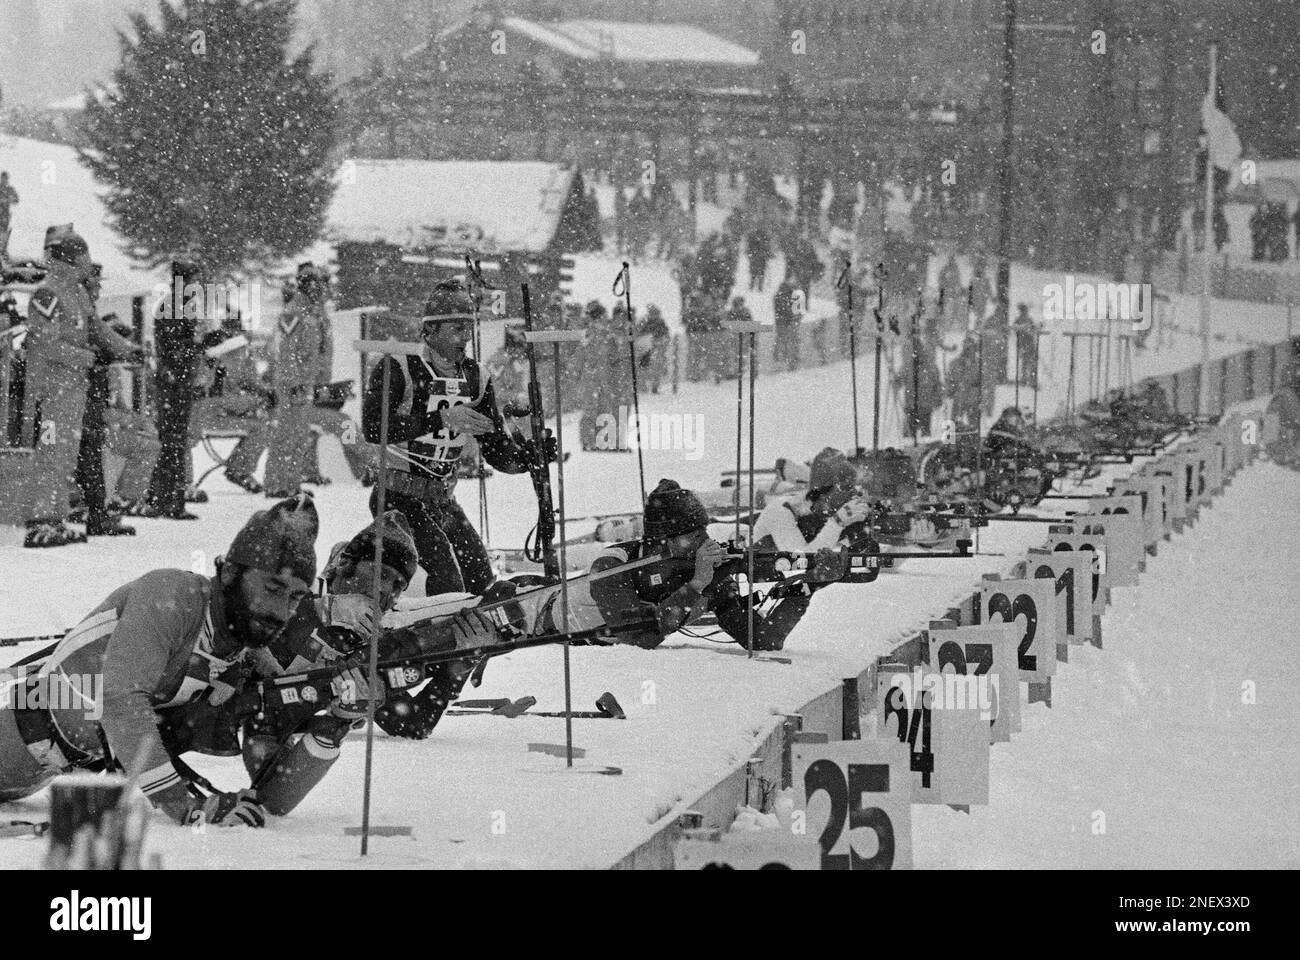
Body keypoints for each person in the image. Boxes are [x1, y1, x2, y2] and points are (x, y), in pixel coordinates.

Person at [0, 495, 321, 827]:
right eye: (273, 588)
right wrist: (184, 804)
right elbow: (121, 701)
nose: (283, 612)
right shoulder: (170, 594)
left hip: (43, 765)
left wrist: (329, 727)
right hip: (17, 729)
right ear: (229, 574)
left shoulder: (244, 641)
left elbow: (273, 800)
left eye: (296, 597)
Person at [361, 280, 550, 595]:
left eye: (468, 329)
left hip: (441, 499)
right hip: (396, 496)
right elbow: (373, 427)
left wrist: (529, 459)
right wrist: (443, 418)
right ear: (430, 331)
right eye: (456, 329)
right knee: (448, 579)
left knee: (479, 579)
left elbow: (495, 448)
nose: (465, 338)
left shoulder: (476, 377)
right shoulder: (398, 367)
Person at [587, 479, 818, 652]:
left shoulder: (702, 568)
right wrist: (696, 585)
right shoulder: (612, 566)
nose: (704, 543)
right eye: (692, 537)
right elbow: (639, 639)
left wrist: (810, 584)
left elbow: (762, 639)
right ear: (662, 542)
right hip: (563, 639)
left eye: (704, 533)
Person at [16, 225, 98, 547]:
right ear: (73, 258)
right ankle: (39, 522)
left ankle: (56, 516)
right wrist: (84, 357)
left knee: (65, 454)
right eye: (86, 255)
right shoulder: (47, 293)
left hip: (72, 390)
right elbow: (45, 344)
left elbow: (97, 328)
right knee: (49, 452)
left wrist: (124, 348)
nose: (90, 261)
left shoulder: (77, 292)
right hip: (51, 392)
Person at [74, 262, 138, 536]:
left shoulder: (83, 306)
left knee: (89, 450)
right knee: (86, 451)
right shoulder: (77, 304)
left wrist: (125, 350)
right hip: (80, 388)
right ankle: (92, 511)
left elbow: (100, 334)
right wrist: (116, 352)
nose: (99, 287)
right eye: (96, 282)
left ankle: (96, 510)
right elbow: (95, 337)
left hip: (88, 389)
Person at [138, 259, 205, 520]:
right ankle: (167, 500)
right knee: (171, 442)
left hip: (179, 381)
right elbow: (175, 349)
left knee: (174, 442)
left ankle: (167, 498)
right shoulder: (174, 306)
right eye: (194, 280)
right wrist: (200, 344)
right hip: (174, 383)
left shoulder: (180, 305)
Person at [264, 263, 331, 497]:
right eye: (318, 285)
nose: (322, 290)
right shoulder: (294, 311)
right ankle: (276, 483)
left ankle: (290, 483)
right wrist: (294, 383)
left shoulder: (313, 313)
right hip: (292, 383)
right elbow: (287, 351)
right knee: (286, 432)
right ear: (309, 286)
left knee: (299, 434)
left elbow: (317, 352)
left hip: (304, 382)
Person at [751, 448, 874, 552]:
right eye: (846, 488)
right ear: (825, 491)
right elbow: (799, 562)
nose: (852, 494)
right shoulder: (781, 510)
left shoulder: (813, 513)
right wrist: (837, 522)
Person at [638, 304, 670, 394]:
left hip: (657, 348)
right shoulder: (644, 322)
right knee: (644, 367)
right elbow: (639, 334)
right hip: (646, 349)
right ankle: (643, 386)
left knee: (656, 367)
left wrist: (661, 342)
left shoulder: (660, 322)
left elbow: (666, 335)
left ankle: (655, 386)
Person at [773, 276, 801, 371]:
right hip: (788, 321)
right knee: (791, 340)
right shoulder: (792, 295)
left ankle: (780, 357)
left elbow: (779, 310)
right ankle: (791, 358)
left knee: (782, 339)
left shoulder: (778, 296)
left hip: (781, 321)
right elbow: (797, 310)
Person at [1012, 303, 1040, 387]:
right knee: (1025, 362)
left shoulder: (1029, 319)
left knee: (1032, 362)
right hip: (1023, 344)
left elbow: (1033, 328)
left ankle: (1032, 380)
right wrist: (1023, 329)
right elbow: (1015, 329)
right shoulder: (1018, 320)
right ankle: (1024, 379)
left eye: (1025, 311)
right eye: (1023, 311)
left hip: (1030, 344)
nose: (1025, 312)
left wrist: (1036, 327)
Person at [0, 171, 17, 258]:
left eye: (5, 178)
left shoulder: (10, 189)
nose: (4, 180)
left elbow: (16, 200)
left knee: (4, 233)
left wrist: (9, 199)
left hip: (5, 215)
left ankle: (3, 251)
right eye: (3, 178)